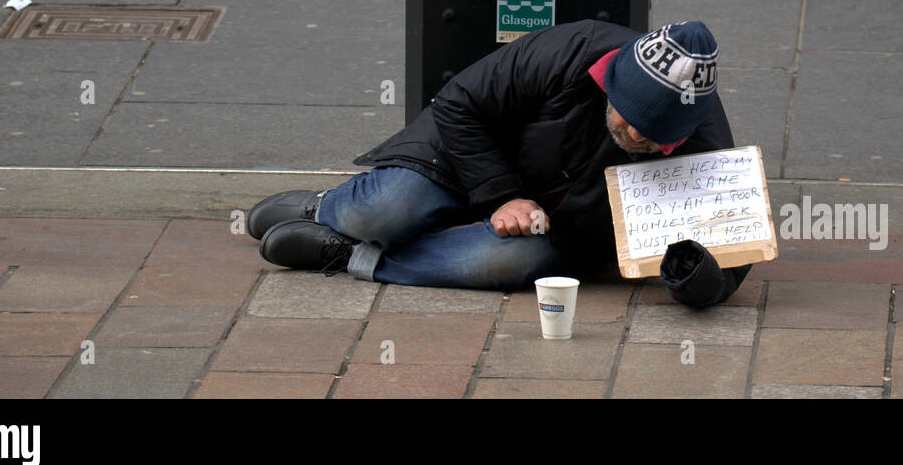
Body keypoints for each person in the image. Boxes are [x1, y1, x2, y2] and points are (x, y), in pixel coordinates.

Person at [246, 19, 751, 308]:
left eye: (657, 134)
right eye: (631, 116)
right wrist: (502, 194)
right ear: (612, 78)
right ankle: (329, 211)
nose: (637, 135)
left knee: (500, 263)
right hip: (462, 160)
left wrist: (693, 276)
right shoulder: (573, 49)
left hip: (555, 232)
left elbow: (732, 260)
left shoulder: (707, 141)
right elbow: (459, 103)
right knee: (383, 210)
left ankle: (350, 255)